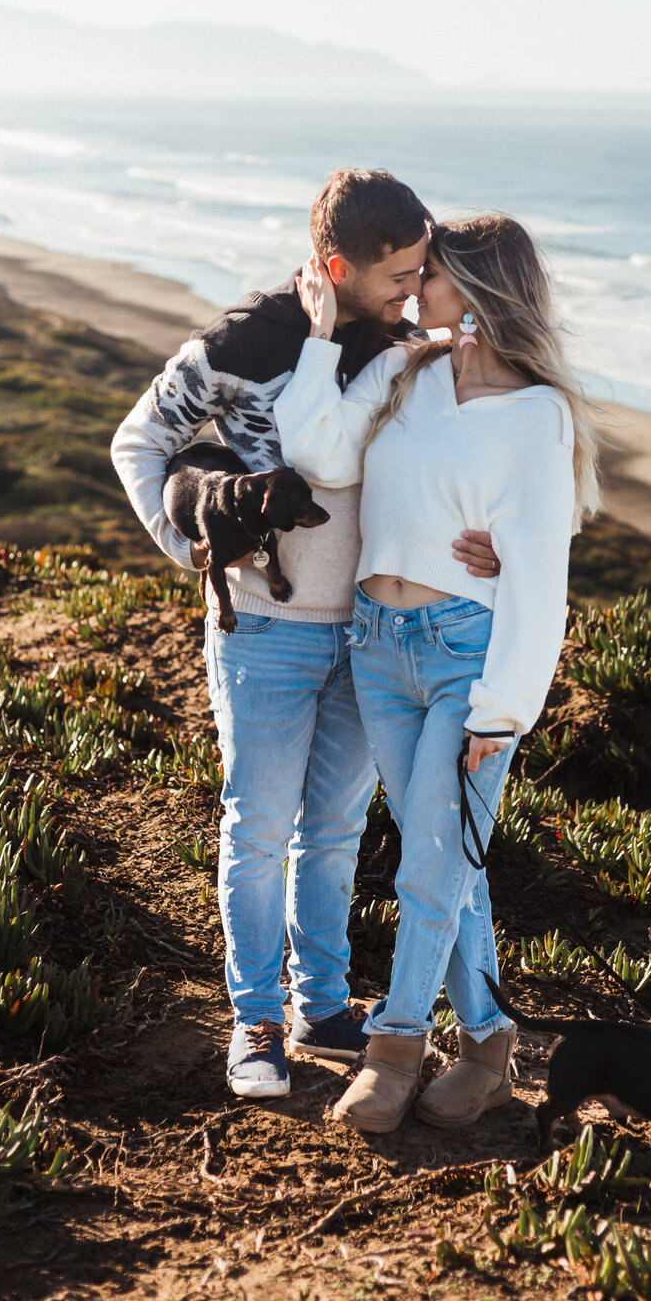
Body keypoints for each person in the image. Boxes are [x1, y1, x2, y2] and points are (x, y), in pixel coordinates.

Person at [111, 169, 499, 1100]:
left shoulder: (403, 340)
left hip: (374, 629)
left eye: (421, 272)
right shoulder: (242, 343)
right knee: (259, 828)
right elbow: (137, 443)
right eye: (400, 274)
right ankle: (252, 1023)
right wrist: (195, 551)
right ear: (338, 264)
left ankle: (320, 1005)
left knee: (332, 829)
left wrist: (482, 539)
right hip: (269, 631)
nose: (416, 288)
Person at [274, 213, 600, 1132]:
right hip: (377, 648)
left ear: (484, 287)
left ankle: (398, 1044)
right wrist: (317, 341)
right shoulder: (408, 368)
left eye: (436, 276)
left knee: (429, 861)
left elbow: (540, 571)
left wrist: (502, 711)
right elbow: (319, 452)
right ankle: (490, 1042)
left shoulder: (539, 414)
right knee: (449, 858)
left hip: (467, 656)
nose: (417, 289)